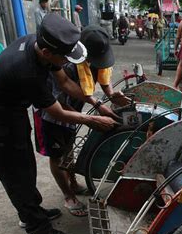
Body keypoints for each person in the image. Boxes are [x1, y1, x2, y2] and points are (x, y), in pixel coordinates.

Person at [0, 14, 116, 234]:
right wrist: (92, 121)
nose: (67, 63)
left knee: (26, 168)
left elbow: (65, 83)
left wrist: (98, 104)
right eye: (65, 58)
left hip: (14, 114)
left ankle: (31, 211)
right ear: (47, 54)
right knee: (16, 175)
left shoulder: (41, 45)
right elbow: (57, 112)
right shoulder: (27, 70)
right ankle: (37, 229)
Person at [33, 25, 129, 217]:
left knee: (69, 147)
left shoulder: (95, 62)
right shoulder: (65, 65)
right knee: (57, 155)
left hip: (74, 109)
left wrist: (111, 95)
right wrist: (88, 117)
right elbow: (56, 103)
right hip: (52, 113)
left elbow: (104, 78)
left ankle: (73, 184)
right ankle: (68, 196)